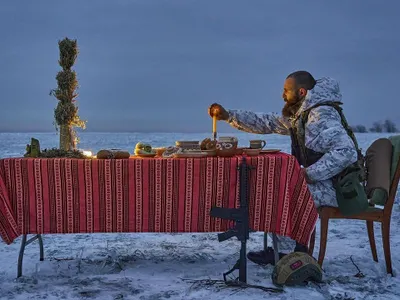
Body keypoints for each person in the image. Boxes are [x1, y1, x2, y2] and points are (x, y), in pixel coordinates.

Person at [208, 70, 361, 265]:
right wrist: (229, 116)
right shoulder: (303, 114)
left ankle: (287, 254)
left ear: (302, 92)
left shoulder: (321, 116)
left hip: (340, 189)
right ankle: (286, 250)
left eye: (286, 90)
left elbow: (346, 151)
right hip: (329, 183)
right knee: (280, 186)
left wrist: (309, 174)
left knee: (283, 192)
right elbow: (268, 122)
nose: (283, 95)